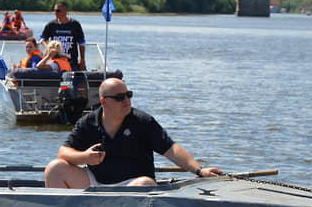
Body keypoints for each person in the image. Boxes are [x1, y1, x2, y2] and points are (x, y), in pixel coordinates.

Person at [44, 78, 222, 188]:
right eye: (120, 97)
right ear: (104, 102)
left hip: (132, 185)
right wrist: (84, 158)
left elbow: (172, 149)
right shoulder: (88, 121)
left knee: (145, 184)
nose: (126, 101)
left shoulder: (143, 121)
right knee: (55, 168)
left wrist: (200, 171)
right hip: (95, 183)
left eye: (128, 95)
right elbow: (63, 152)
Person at [40, 1, 86, 70]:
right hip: (56, 62)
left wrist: (82, 59)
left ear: (65, 11)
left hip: (72, 62)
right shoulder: (51, 25)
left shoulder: (75, 24)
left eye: (58, 10)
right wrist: (48, 48)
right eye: (54, 10)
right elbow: (42, 38)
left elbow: (81, 43)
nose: (56, 13)